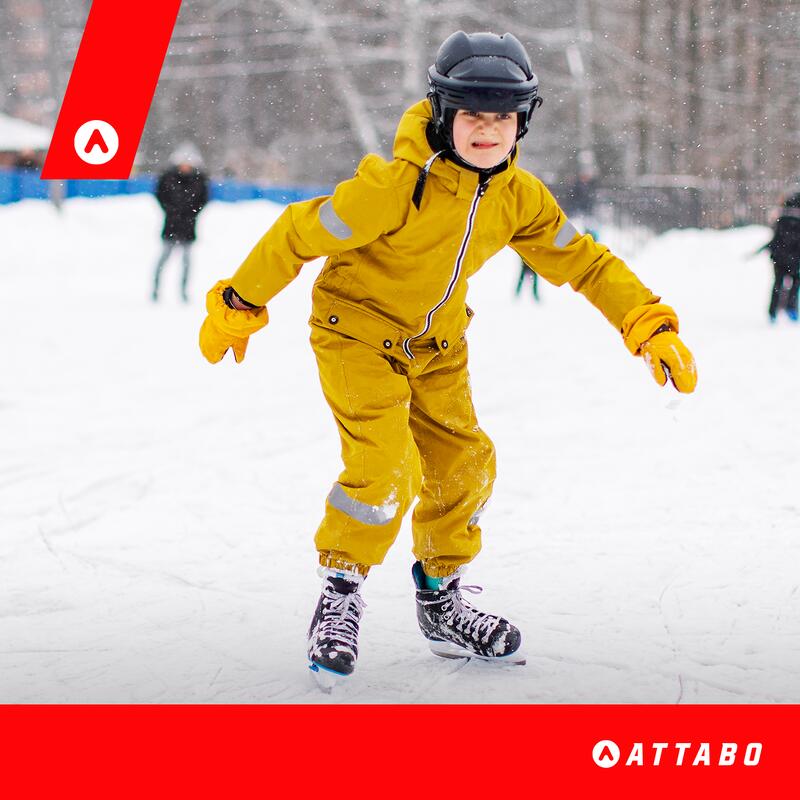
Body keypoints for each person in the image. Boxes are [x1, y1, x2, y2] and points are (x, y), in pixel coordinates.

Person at [198, 31, 698, 685]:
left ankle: (441, 600)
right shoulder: (392, 189)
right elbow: (298, 231)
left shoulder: (519, 197)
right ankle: (340, 592)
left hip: (438, 349)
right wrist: (238, 301)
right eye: (471, 115)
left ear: (523, 121)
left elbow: (585, 262)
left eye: (502, 117)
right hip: (356, 336)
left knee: (465, 467)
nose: (487, 130)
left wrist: (646, 324)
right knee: (384, 467)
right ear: (442, 114)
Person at [152, 142, 209, 303]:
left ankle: (183, 292)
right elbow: (160, 196)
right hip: (171, 224)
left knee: (187, 262)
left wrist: (190, 213)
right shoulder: (168, 178)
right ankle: (156, 289)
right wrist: (172, 211)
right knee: (163, 259)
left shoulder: (199, 180)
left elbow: (202, 201)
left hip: (188, 227)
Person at [765, 192, 800, 322]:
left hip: (779, 259)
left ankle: (772, 312)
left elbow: (776, 240)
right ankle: (791, 309)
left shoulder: (781, 218)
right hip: (795, 259)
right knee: (795, 284)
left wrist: (773, 254)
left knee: (777, 284)